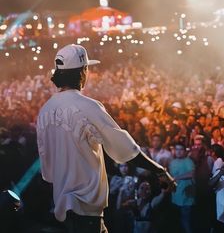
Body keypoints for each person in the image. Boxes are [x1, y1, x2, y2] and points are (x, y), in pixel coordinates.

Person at [36, 44, 175, 233]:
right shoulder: (88, 106)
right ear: (82, 71)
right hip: (86, 209)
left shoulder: (44, 111)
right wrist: (159, 170)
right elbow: (124, 148)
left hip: (63, 208)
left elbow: (48, 171)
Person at [169, 143, 195, 233]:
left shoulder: (188, 161)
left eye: (181, 149)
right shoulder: (172, 162)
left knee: (186, 222)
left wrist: (177, 178)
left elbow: (191, 174)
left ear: (184, 151)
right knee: (177, 223)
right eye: (177, 149)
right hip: (175, 197)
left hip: (186, 198)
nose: (178, 152)